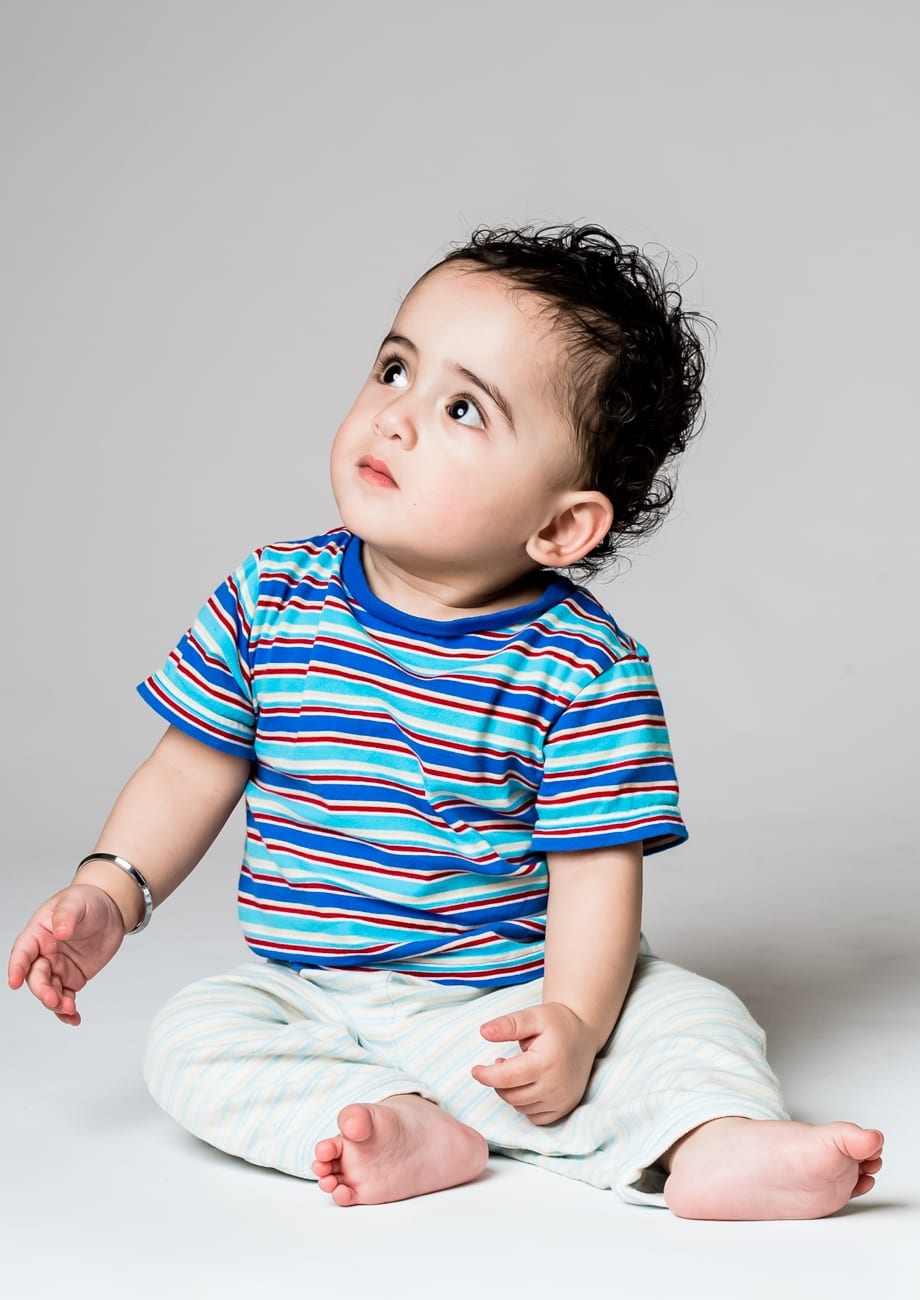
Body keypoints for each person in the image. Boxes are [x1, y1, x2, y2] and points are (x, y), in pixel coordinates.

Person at [8, 225, 883, 1218]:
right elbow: (186, 771)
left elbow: (595, 873)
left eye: (462, 408)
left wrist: (573, 1019)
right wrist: (109, 890)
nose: (395, 416)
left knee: (687, 1012)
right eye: (394, 369)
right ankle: (398, 1123)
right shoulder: (270, 597)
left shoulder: (582, 669)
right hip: (311, 995)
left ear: (559, 525)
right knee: (191, 1035)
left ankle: (714, 1139)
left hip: (506, 998)